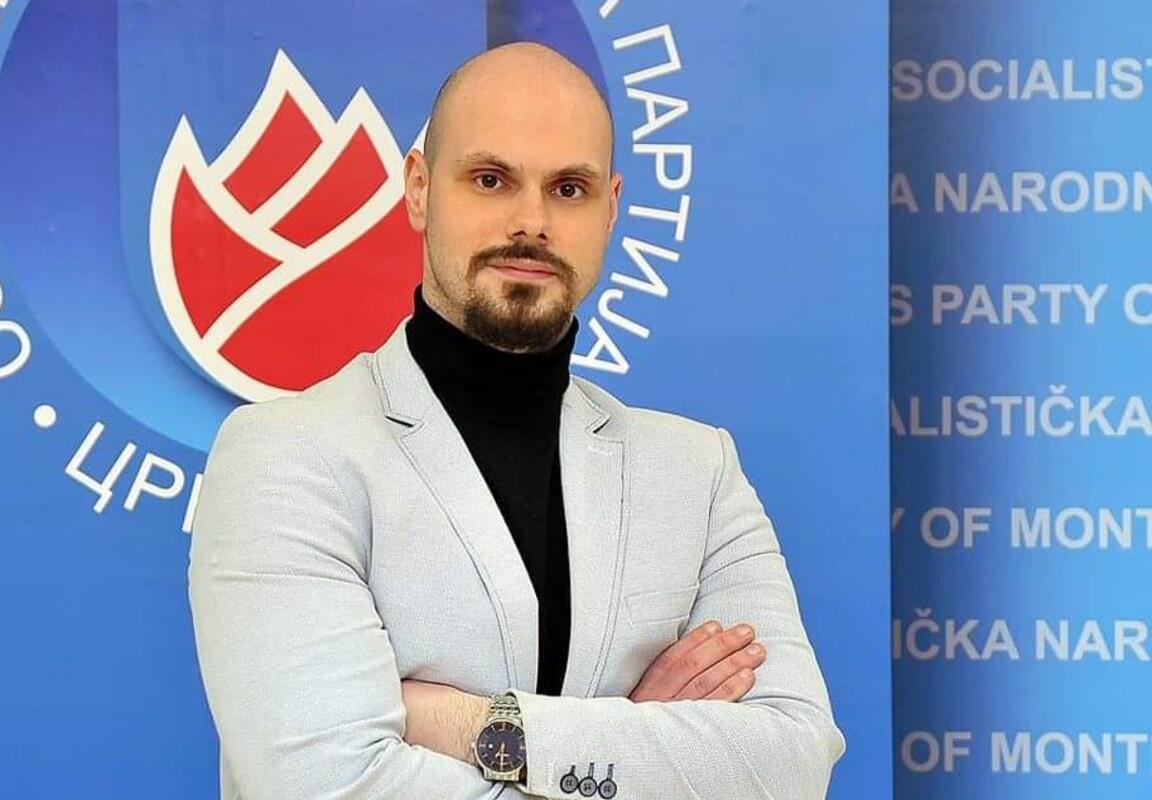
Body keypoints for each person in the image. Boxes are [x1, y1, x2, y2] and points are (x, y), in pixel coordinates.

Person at [187, 41, 845, 800]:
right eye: (491, 179)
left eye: (569, 188)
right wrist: (638, 739)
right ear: (419, 190)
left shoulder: (697, 473)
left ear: (611, 208)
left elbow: (792, 763)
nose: (531, 222)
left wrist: (474, 725)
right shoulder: (285, 457)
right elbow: (326, 785)